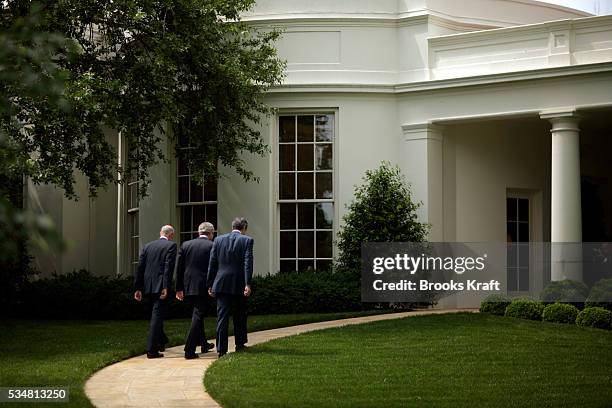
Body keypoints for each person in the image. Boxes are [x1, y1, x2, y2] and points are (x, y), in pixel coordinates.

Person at [207, 217, 254, 358]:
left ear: (232, 226)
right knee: (240, 315)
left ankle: (221, 349)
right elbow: (248, 263)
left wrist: (210, 283)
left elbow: (212, 263)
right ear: (244, 228)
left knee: (222, 317)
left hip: (221, 283)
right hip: (239, 283)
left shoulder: (218, 240)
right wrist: (247, 283)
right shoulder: (247, 240)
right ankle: (240, 343)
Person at [134, 225, 177, 359]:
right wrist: (166, 286)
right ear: (171, 235)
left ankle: (161, 341)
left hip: (148, 285)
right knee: (157, 316)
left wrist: (138, 287)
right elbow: (168, 268)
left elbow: (140, 267)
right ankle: (151, 350)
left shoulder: (148, 246)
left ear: (160, 233)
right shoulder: (171, 246)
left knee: (156, 314)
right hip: (160, 286)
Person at [176, 222, 216, 359]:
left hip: (188, 286)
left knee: (197, 314)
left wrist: (179, 288)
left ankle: (203, 344)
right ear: (210, 233)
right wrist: (212, 285)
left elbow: (179, 268)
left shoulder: (186, 245)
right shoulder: (212, 246)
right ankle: (189, 349)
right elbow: (213, 268)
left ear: (199, 232)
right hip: (203, 286)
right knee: (198, 315)